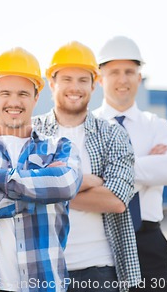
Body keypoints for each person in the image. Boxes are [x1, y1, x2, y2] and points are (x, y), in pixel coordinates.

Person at [0, 47, 82, 292]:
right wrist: (40, 193)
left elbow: (65, 184)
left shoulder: (59, 146)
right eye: (5, 93)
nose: (14, 102)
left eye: (23, 94)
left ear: (36, 98)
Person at [33, 41, 141, 292]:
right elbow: (20, 190)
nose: (75, 87)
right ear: (52, 83)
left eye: (83, 80)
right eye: (67, 79)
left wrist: (50, 188)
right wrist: (88, 181)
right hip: (41, 267)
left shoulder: (113, 134)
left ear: (94, 85)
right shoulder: (32, 133)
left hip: (98, 269)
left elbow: (116, 200)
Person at [94, 36, 167, 292]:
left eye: (129, 72)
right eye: (114, 72)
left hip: (149, 244)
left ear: (139, 77)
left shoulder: (156, 125)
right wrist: (146, 164)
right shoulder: (88, 127)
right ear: (100, 79)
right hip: (100, 242)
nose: (123, 79)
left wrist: (108, 173)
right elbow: (80, 177)